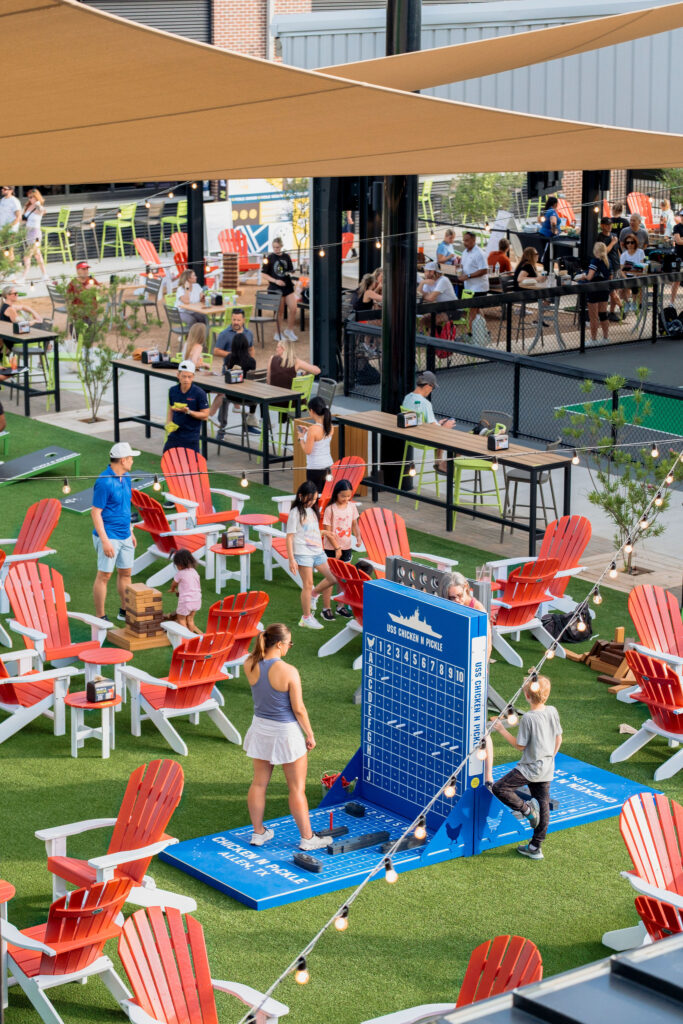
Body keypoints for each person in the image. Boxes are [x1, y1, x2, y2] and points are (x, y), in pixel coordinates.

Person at [243, 622, 329, 850]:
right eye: (290, 643)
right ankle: (308, 838)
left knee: (259, 784)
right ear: (280, 644)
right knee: (296, 788)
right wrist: (310, 734)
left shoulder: (249, 663)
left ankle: (258, 833)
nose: (290, 647)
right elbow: (299, 709)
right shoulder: (289, 671)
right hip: (286, 733)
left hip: (260, 728)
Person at [491, 674, 563, 860]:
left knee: (500, 788)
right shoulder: (552, 711)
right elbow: (558, 738)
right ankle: (535, 847)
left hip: (530, 768)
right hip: (547, 767)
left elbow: (519, 745)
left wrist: (501, 729)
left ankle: (527, 810)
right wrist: (550, 758)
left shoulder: (529, 718)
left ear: (527, 696)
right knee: (544, 804)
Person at [91, 441, 140, 620]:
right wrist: (105, 541)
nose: (132, 461)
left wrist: (131, 530)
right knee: (104, 575)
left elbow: (125, 507)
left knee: (126, 573)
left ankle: (124, 610)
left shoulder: (126, 478)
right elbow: (96, 513)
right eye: (131, 458)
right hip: (109, 535)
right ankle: (100, 616)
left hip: (125, 534)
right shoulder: (104, 482)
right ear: (123, 460)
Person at [286, 480, 336, 630]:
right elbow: (289, 537)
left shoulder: (313, 510)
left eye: (315, 499)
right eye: (310, 499)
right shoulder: (295, 513)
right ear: (301, 496)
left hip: (318, 552)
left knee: (333, 578)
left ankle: (314, 594)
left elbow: (309, 531)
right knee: (307, 584)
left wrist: (324, 532)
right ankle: (306, 618)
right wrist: (291, 560)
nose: (312, 502)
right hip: (303, 553)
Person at [402, 370, 455, 475]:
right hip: (423, 438)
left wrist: (439, 423)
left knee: (442, 430)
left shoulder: (407, 398)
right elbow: (434, 429)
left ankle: (440, 462)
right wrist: (445, 426)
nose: (431, 390)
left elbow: (424, 422)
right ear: (427, 386)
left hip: (410, 437)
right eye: (432, 387)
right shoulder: (425, 403)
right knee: (451, 437)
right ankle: (441, 464)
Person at [164, 360, 209, 453]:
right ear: (178, 375)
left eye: (189, 377)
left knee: (190, 465)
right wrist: (168, 424)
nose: (186, 380)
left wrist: (188, 411)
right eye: (184, 376)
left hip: (191, 436)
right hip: (175, 434)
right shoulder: (172, 391)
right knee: (167, 460)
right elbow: (171, 409)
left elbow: (205, 415)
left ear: (193, 377)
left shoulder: (199, 393)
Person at [444, 572, 492, 659]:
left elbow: (487, 645)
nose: (457, 600)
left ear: (465, 587)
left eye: (459, 595)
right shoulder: (449, 605)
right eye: (452, 597)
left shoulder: (478, 609)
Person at [262, 237, 298, 342]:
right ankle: (277, 333)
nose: (276, 249)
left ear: (281, 246)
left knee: (294, 308)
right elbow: (263, 274)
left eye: (277, 247)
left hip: (287, 286)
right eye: (274, 247)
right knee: (280, 311)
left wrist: (291, 272)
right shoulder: (269, 258)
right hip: (276, 287)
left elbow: (290, 270)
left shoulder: (286, 256)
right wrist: (275, 281)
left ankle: (289, 330)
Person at [298, 395, 334, 492]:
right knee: (326, 495)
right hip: (329, 466)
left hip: (315, 469)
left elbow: (307, 451)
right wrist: (308, 431)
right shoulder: (330, 426)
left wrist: (301, 438)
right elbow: (320, 436)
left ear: (312, 411)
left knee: (313, 497)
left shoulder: (313, 430)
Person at [322, 478, 360, 566]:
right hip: (332, 547)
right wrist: (337, 548)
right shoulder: (330, 509)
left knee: (346, 572)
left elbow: (355, 524)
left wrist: (358, 537)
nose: (346, 498)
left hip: (346, 545)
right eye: (343, 496)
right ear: (336, 494)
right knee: (333, 573)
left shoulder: (352, 507)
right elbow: (328, 533)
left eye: (348, 496)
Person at [581, 241, 612, 346]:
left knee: (593, 316)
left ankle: (594, 339)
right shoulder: (608, 261)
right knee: (603, 314)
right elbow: (610, 277)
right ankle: (605, 337)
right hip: (605, 290)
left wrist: (583, 276)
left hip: (594, 290)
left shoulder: (594, 261)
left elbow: (589, 277)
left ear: (595, 251)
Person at [457, 231, 489, 329]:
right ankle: (483, 331)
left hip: (479, 288)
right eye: (464, 240)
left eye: (467, 240)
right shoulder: (464, 252)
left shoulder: (479, 253)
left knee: (472, 312)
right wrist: (459, 270)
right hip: (469, 286)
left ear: (474, 240)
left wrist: (468, 276)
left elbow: (484, 270)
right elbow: (462, 266)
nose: (464, 242)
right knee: (476, 310)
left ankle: (470, 334)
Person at [0, 284, 41, 352]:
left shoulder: (5, 306)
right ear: (7, 295)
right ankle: (47, 350)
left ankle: (47, 349)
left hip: (9, 337)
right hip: (13, 340)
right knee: (41, 335)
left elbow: (22, 307)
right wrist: (35, 321)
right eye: (15, 293)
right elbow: (22, 326)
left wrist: (32, 311)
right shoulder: (10, 309)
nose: (17, 295)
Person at [18, 189, 48, 283]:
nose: (30, 199)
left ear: (36, 197)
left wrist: (38, 204)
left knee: (27, 256)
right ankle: (44, 275)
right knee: (38, 255)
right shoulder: (28, 206)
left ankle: (23, 278)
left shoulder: (38, 207)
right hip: (28, 233)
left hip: (35, 234)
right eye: (29, 197)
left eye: (32, 197)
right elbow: (23, 220)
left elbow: (43, 211)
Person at [170, 548, 202, 634]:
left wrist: (172, 589)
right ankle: (191, 637)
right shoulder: (194, 572)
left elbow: (174, 584)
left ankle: (185, 638)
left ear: (179, 564)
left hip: (186, 601)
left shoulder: (180, 574)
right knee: (190, 619)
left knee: (181, 619)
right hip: (197, 599)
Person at [598, 217, 622, 321]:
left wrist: (621, 264)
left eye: (610, 224)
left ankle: (612, 312)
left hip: (616, 266)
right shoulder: (601, 238)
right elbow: (604, 252)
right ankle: (622, 308)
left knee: (615, 290)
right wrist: (612, 243)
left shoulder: (614, 236)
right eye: (607, 225)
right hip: (608, 267)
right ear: (602, 225)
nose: (609, 226)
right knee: (612, 292)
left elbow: (617, 251)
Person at [619, 235, 646, 313]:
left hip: (637, 276)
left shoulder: (640, 252)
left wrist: (631, 269)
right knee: (620, 289)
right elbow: (622, 270)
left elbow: (641, 267)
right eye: (628, 243)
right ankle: (627, 302)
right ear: (625, 244)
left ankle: (634, 302)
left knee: (635, 284)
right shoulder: (624, 255)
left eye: (632, 242)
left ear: (635, 243)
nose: (630, 244)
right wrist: (626, 276)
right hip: (627, 276)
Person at [671, 211, 683, 304]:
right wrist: (680, 239)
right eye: (681, 216)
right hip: (679, 255)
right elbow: (678, 241)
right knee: (677, 280)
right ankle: (672, 302)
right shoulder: (677, 227)